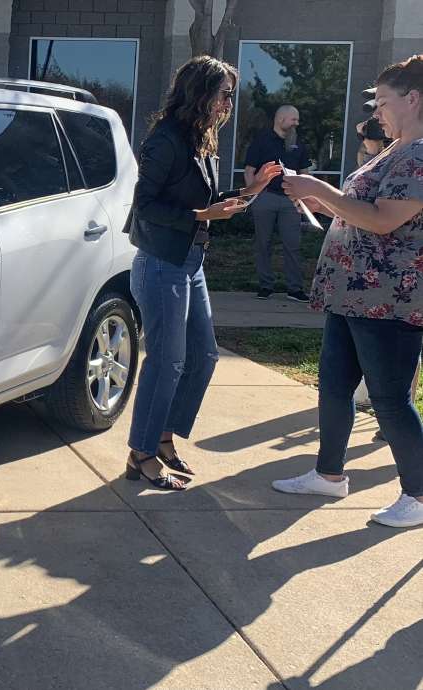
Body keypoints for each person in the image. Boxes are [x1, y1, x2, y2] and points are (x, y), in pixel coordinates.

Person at [271, 54, 423, 528]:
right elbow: (360, 208)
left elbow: (383, 219)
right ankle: (329, 473)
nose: (376, 111)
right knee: (334, 385)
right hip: (352, 293)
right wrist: (318, 197)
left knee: (389, 397)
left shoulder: (419, 155)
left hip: (389, 297)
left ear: (414, 98)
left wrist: (319, 187)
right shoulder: (395, 150)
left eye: (383, 101)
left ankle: (418, 495)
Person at [125, 56, 283, 490]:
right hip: (161, 263)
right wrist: (201, 214)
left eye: (231, 94)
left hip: (190, 263)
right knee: (167, 361)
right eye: (224, 93)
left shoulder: (200, 139)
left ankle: (162, 438)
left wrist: (250, 191)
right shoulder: (166, 140)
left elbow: (210, 201)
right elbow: (145, 205)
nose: (229, 102)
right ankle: (141, 454)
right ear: (200, 92)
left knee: (203, 357)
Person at [243, 105, 314, 302]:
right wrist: (252, 197)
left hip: (291, 200)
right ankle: (266, 286)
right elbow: (249, 171)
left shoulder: (298, 143)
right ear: (280, 119)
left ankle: (295, 289)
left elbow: (305, 175)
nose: (296, 123)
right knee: (262, 244)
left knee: (293, 245)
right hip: (265, 198)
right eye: (294, 119)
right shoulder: (261, 141)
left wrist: (306, 200)